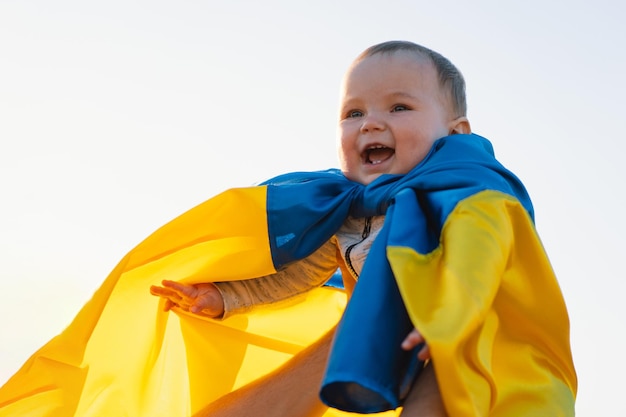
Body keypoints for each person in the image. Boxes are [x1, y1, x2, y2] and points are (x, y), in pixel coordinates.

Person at [150, 41, 577, 416]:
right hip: (404, 347)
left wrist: (449, 319)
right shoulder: (351, 213)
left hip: (489, 348)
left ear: (454, 132)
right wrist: (226, 295)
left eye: (399, 107)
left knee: (435, 404)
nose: (370, 122)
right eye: (354, 112)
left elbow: (480, 256)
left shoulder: (468, 195)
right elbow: (300, 272)